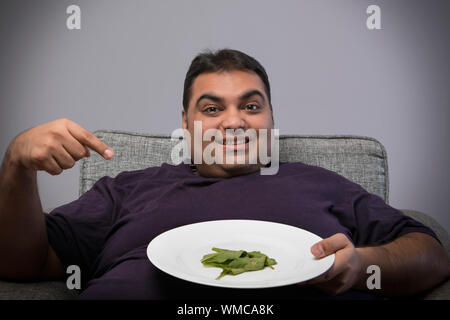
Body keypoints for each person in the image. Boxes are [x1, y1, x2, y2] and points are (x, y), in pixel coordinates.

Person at [0, 49, 448, 300]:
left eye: (251, 107)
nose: (233, 122)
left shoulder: (322, 183)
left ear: (272, 118)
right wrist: (17, 168)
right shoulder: (126, 189)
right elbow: (22, 265)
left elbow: (431, 255)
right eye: (212, 108)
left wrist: (363, 265)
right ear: (185, 122)